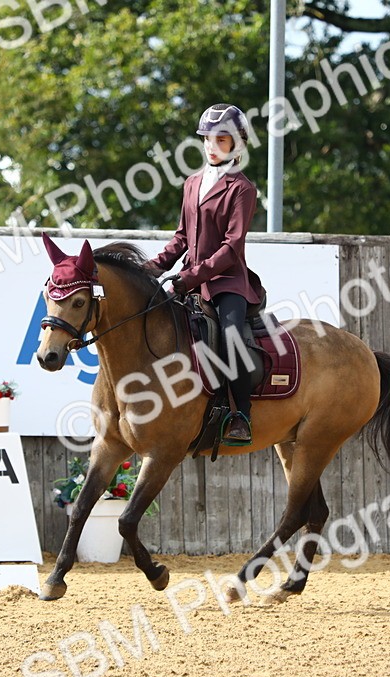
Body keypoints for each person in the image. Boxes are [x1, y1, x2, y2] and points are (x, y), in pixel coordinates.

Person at [147, 103, 264, 445]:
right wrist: (153, 267)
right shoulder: (192, 183)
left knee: (231, 338)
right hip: (189, 280)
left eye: (221, 140)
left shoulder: (242, 188)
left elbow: (231, 248)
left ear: (237, 144)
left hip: (227, 283)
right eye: (207, 139)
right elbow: (182, 237)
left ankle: (241, 415)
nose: (212, 146)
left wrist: (190, 278)